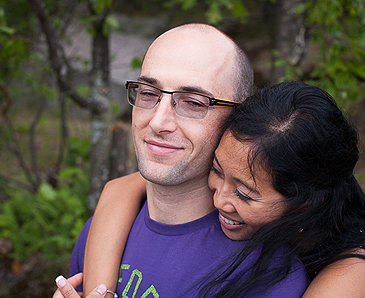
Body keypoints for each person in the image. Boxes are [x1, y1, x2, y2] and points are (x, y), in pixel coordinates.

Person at [53, 23, 309, 297]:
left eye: (194, 102)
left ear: (240, 118)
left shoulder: (266, 274)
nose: (157, 122)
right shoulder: (99, 232)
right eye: (148, 93)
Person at [82, 82, 365, 297]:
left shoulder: (354, 271)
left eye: (244, 194)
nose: (219, 199)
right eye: (216, 170)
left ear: (305, 202)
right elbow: (120, 189)